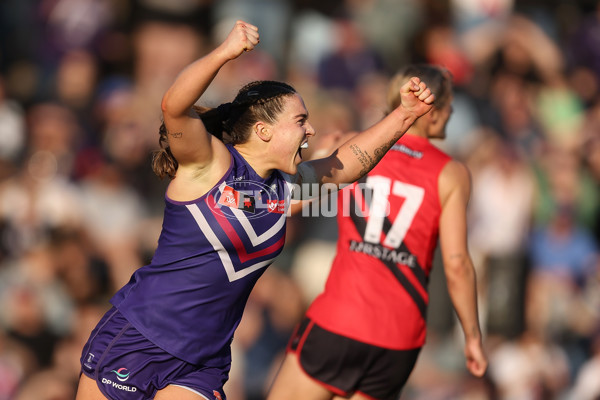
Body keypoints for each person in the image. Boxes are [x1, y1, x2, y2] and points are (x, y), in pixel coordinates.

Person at [74, 21, 435, 400]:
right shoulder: (208, 164)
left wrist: (405, 115)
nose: (310, 130)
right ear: (263, 131)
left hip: (203, 361)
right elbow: (174, 106)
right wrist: (225, 52)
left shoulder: (284, 190)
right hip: (141, 336)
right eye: (300, 121)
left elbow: (350, 162)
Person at [267, 64, 488, 400]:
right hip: (398, 340)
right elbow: (457, 265)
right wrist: (472, 337)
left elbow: (288, 202)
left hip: (339, 320)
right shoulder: (452, 174)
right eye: (447, 106)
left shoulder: (355, 146)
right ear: (429, 110)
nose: (451, 112)